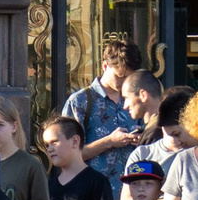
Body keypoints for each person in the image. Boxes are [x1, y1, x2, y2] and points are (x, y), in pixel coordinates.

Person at [63, 38, 149, 178]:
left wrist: (141, 140)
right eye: (119, 76)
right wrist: (109, 141)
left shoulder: (137, 99)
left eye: (129, 78)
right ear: (105, 66)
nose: (124, 82)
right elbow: (66, 155)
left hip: (133, 191)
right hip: (93, 193)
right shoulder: (79, 102)